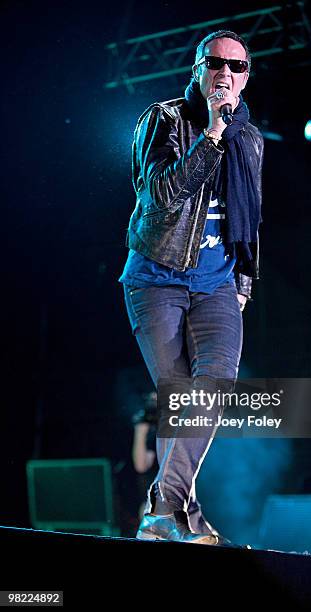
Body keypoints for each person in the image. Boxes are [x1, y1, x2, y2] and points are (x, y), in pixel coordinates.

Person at [119, 29, 264, 545]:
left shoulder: (249, 137)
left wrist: (243, 281)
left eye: (238, 67)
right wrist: (210, 135)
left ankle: (163, 508)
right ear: (198, 70)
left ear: (247, 77)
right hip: (157, 278)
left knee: (214, 387)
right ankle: (186, 516)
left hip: (219, 284)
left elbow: (250, 216)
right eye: (217, 63)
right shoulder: (163, 120)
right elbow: (161, 195)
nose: (226, 73)